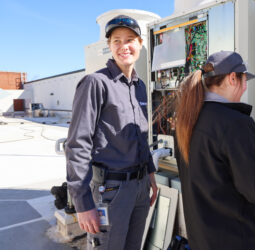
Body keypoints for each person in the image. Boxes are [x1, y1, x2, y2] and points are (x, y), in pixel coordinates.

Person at [175, 51, 255, 250]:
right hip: (236, 240)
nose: (245, 88)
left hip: (203, 240)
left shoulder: (187, 121)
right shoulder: (237, 123)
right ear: (232, 78)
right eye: (245, 80)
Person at [66, 15, 157, 250]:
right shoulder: (95, 83)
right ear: (109, 46)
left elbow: (140, 136)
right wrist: (82, 202)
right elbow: (78, 144)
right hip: (111, 191)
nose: (123, 46)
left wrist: (150, 174)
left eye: (129, 40)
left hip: (139, 188)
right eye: (116, 41)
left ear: (140, 44)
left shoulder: (139, 86)